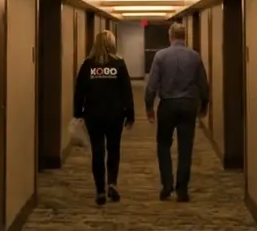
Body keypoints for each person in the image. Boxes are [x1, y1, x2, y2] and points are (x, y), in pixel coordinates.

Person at [144, 22, 209, 202]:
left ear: (170, 36)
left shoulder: (160, 56)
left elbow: (152, 85)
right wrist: (205, 104)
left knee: (163, 145)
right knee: (185, 147)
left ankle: (167, 184)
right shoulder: (195, 56)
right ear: (185, 36)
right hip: (189, 105)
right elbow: (203, 84)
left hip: (168, 105)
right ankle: (182, 189)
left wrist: (149, 106)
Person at [73, 30, 135, 205]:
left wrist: (78, 113)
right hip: (115, 114)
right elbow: (126, 91)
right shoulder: (119, 64)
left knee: (98, 151)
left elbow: (80, 91)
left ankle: (100, 189)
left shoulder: (88, 65)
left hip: (93, 114)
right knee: (113, 149)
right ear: (112, 44)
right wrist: (130, 113)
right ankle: (112, 183)